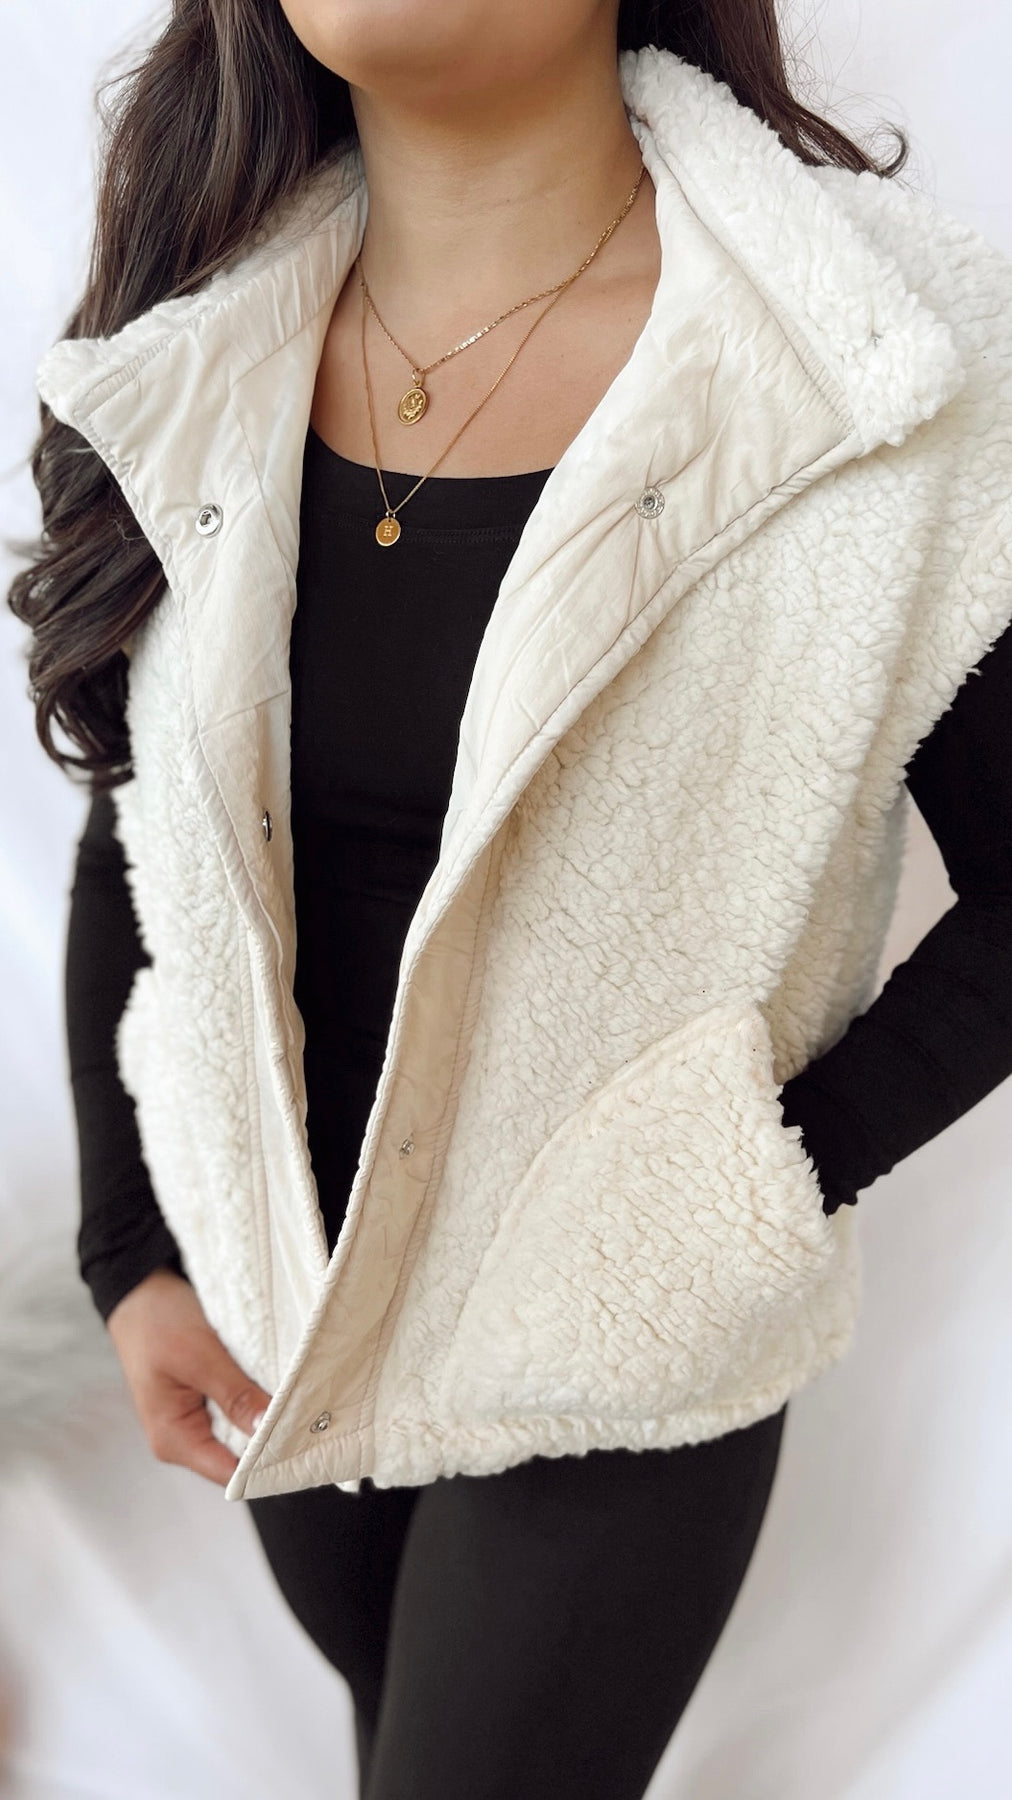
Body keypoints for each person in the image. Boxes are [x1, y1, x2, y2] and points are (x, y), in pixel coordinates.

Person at [8, 3, 1012, 1795]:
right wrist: (132, 1249)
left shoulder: (875, 361)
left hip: (610, 1342)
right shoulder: (202, 346)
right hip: (279, 1310)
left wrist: (735, 1190)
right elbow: (148, 815)